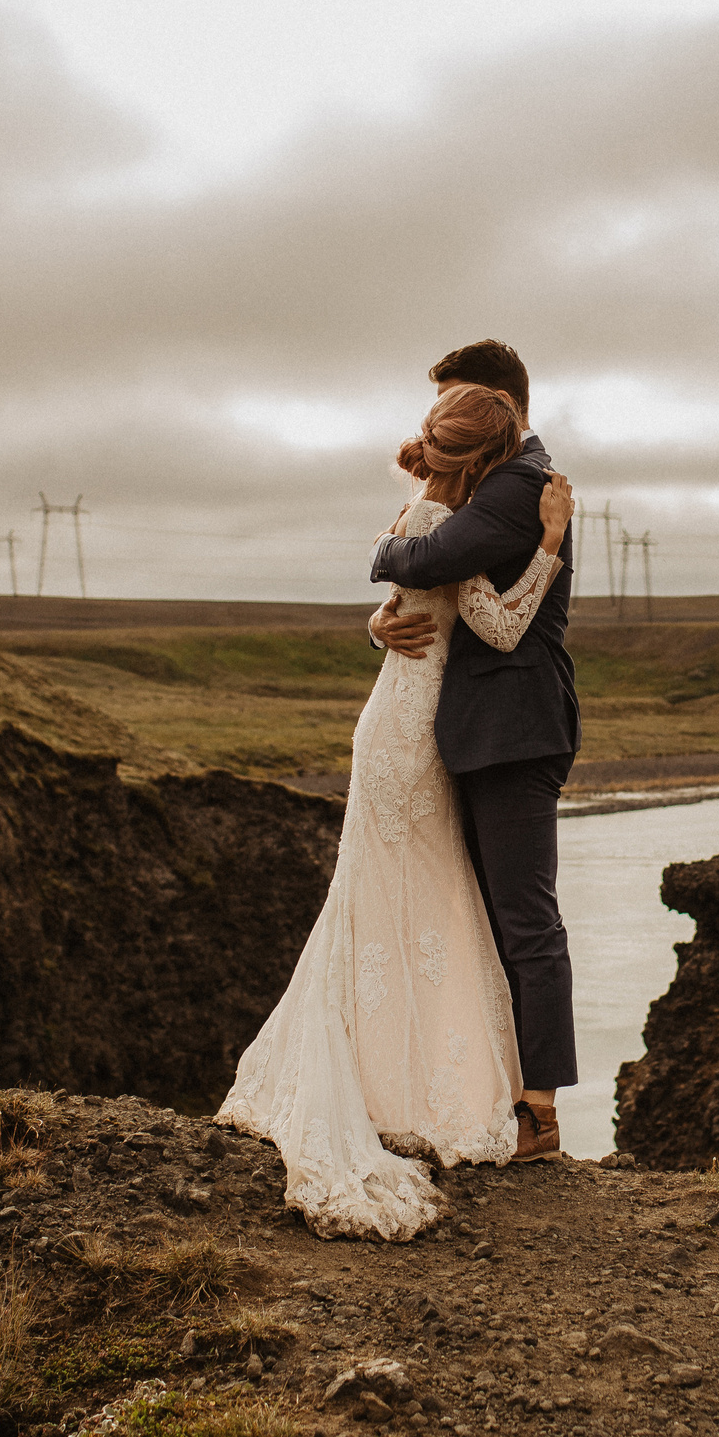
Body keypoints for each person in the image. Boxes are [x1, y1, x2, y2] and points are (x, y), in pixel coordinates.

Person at [218, 375, 576, 1240]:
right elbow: (497, 626)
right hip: (417, 739)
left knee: (387, 902)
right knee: (425, 900)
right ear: (483, 458)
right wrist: (550, 545)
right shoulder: (452, 526)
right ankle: (430, 1087)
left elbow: (399, 597)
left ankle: (388, 1081)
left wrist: (378, 624)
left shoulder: (424, 517)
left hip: (399, 727)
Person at [367, 341, 580, 1164]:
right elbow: (431, 595)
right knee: (483, 916)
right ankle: (490, 1091)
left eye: (454, 406)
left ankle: (540, 1111)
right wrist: (380, 621)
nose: (439, 426)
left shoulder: (520, 485)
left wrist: (381, 551)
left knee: (525, 919)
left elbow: (435, 563)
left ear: (500, 408)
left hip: (513, 729)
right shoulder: (489, 483)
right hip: (469, 730)